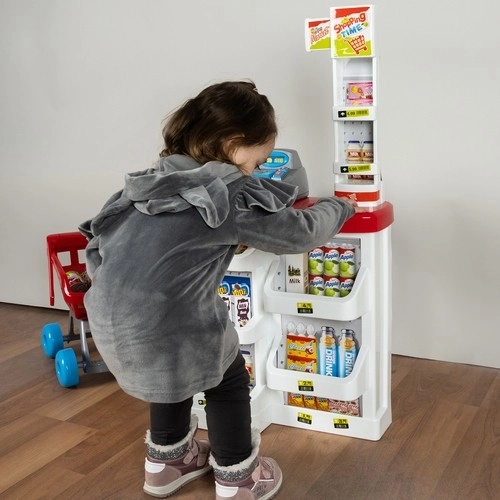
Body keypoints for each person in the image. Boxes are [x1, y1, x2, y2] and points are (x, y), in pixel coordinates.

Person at [79, 80, 357, 500]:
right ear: (232, 143)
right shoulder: (223, 195)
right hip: (168, 327)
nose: (258, 169)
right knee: (225, 380)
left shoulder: (150, 182)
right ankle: (237, 476)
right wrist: (341, 205)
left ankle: (166, 463)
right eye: (258, 159)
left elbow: (103, 243)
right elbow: (298, 233)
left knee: (171, 375)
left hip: (110, 320)